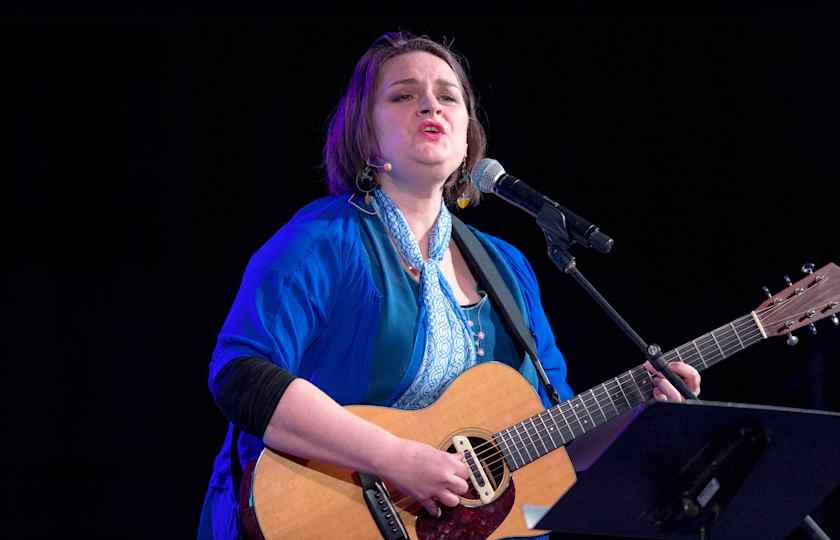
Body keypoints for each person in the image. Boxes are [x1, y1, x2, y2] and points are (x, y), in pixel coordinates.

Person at [198, 31, 701, 540]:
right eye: (403, 95)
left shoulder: (507, 267)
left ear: (467, 139)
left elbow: (557, 443)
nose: (430, 106)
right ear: (364, 134)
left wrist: (638, 411)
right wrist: (396, 458)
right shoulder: (322, 241)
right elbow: (241, 376)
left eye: (448, 96)